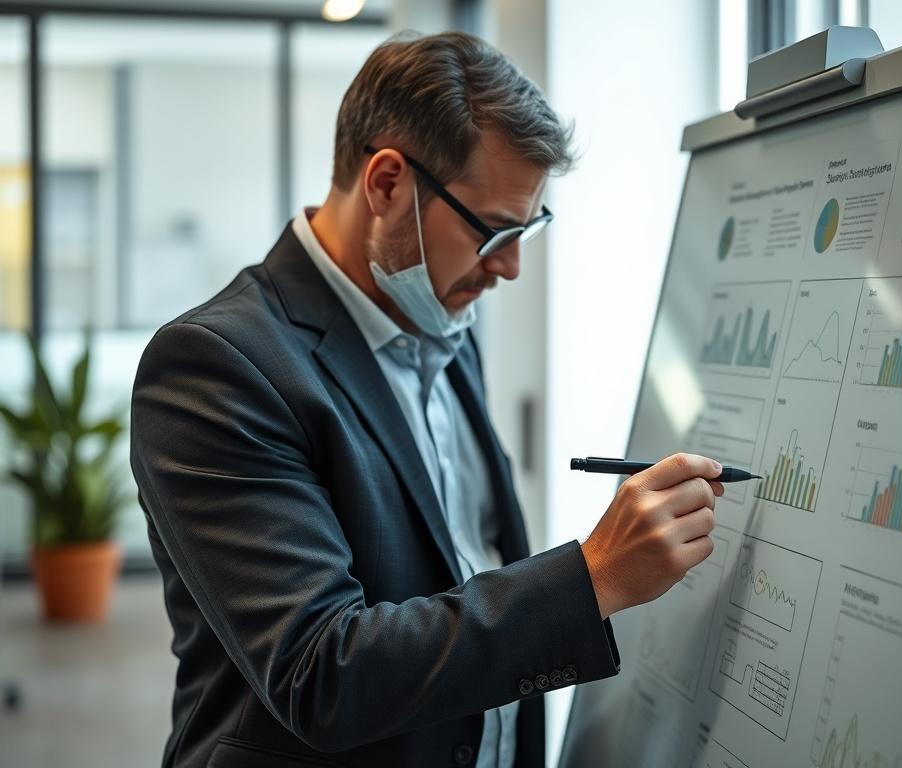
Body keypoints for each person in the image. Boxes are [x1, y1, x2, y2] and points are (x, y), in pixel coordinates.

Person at [130, 30, 722, 768]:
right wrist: (595, 576)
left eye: (527, 229)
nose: (507, 267)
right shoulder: (217, 366)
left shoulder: (444, 319)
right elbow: (322, 673)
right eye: (493, 231)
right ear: (386, 184)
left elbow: (465, 564)